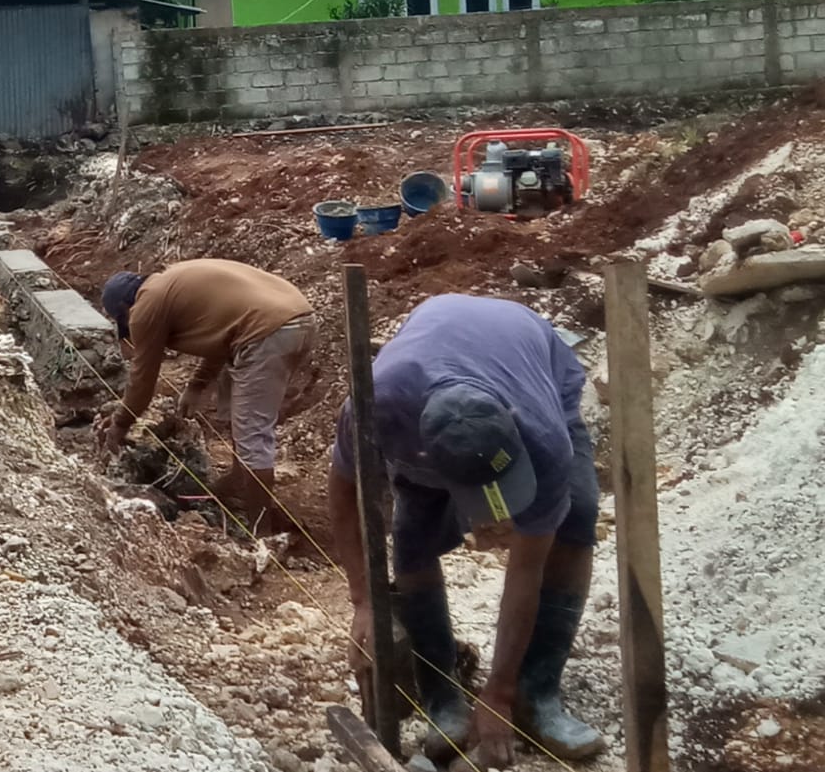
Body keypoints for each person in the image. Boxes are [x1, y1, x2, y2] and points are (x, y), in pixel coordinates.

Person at [328, 295, 604, 766]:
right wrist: (362, 600)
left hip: (529, 350)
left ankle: (534, 694)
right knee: (414, 538)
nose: (493, 518)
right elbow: (342, 495)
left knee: (575, 520)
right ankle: (442, 699)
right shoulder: (378, 411)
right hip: (428, 381)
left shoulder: (542, 435)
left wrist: (498, 690)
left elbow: (526, 567)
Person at [99, 259, 316, 520]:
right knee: (240, 410)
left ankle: (260, 529)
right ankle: (238, 482)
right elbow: (224, 330)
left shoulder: (146, 305)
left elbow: (143, 378)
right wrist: (197, 385)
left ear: (125, 308)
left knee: (252, 432)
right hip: (296, 317)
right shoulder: (171, 282)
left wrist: (121, 423)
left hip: (267, 332)